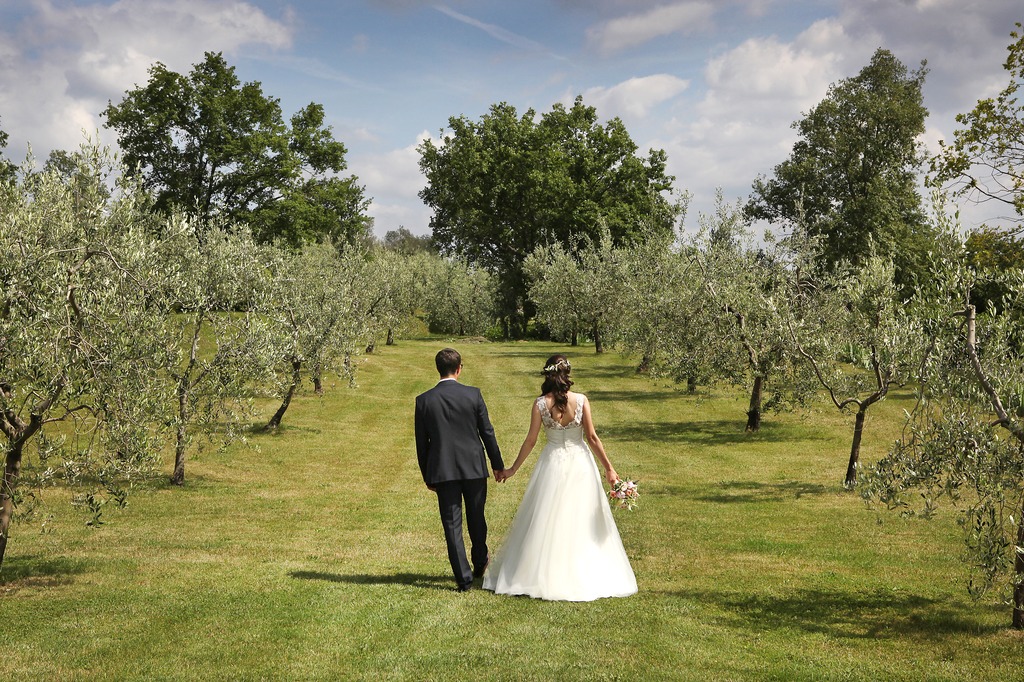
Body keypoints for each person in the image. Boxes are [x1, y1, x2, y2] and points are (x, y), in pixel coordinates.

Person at [482, 354, 637, 601]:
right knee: (580, 515)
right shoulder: (582, 400)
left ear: (547, 375)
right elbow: (592, 438)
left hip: (551, 462)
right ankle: (581, 571)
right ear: (568, 374)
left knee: (548, 515)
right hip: (580, 463)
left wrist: (512, 469)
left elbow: (531, 441)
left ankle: (541, 572)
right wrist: (609, 468)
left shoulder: (540, 404)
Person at [415, 348, 506, 592]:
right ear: (459, 368)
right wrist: (497, 465)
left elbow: (421, 444)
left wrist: (427, 475)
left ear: (438, 369)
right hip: (474, 467)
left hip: (443, 471)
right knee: (477, 517)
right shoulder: (473, 395)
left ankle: (464, 579)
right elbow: (487, 432)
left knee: (451, 524)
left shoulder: (423, 400)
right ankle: (480, 561)